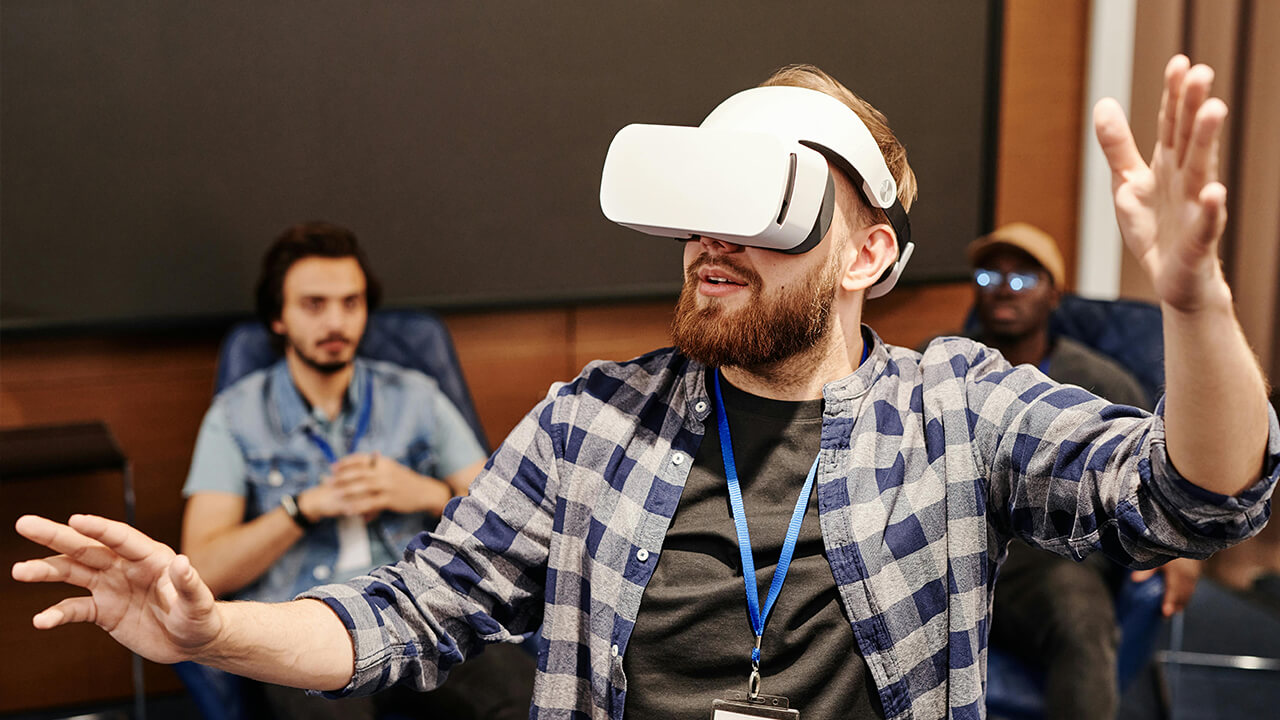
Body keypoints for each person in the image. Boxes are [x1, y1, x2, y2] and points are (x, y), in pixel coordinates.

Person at [12, 56, 1277, 720]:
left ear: (864, 255)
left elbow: (1197, 495)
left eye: (764, 205)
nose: (712, 240)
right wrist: (212, 632)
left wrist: (1192, 302)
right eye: (701, 201)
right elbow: (405, 614)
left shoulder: (953, 408)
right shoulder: (590, 426)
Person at [178, 221, 535, 718]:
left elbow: (506, 521)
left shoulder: (417, 396)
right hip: (303, 625)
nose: (336, 322)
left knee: (529, 701)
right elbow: (202, 571)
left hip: (419, 612)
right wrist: (301, 510)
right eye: (314, 304)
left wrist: (427, 493)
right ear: (278, 318)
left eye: (351, 303)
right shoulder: (235, 418)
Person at [965, 222, 1200, 718]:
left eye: (1024, 277)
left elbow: (1156, 472)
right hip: (952, 547)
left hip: (1049, 559)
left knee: (1080, 620)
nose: (1004, 288)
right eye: (989, 276)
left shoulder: (1100, 380)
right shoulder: (942, 365)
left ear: (1054, 295)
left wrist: (1180, 547)